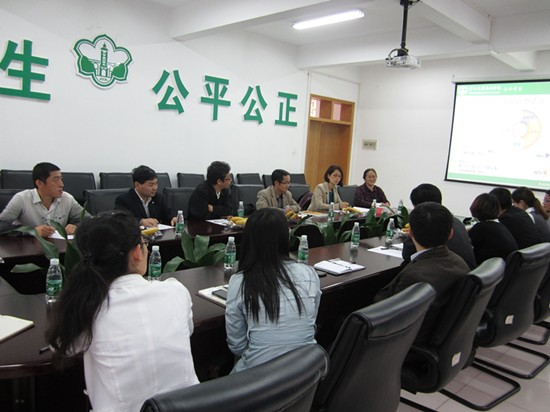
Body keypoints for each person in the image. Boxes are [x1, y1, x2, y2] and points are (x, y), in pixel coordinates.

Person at [46, 211, 198, 412]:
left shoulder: (88, 309)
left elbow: (61, 346)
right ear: (137, 253)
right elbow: (186, 331)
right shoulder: (175, 291)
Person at [225, 208, 321, 373]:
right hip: (306, 374)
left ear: (248, 240)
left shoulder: (240, 281)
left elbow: (237, 345)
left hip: (260, 379)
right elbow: (311, 322)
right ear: (286, 238)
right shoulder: (309, 273)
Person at [374, 202, 470, 344]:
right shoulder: (460, 263)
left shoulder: (414, 278)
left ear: (410, 233)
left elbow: (389, 323)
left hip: (406, 344)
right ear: (451, 233)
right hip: (438, 338)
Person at [0, 162, 89, 236]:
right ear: (39, 183)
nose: (61, 184)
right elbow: (2, 225)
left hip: (58, 247)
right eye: (55, 180)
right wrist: (31, 231)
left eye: (61, 179)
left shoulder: (67, 199)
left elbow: (90, 221)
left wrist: (77, 227)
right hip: (24, 247)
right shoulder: (22, 198)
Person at [401, 183, 477, 269]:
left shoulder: (427, 224)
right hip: (464, 271)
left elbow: (407, 255)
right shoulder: (455, 221)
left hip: (444, 273)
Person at [468, 193, 518, 265]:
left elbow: (465, 244)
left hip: (492, 268)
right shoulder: (499, 226)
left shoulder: (481, 228)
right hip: (504, 268)